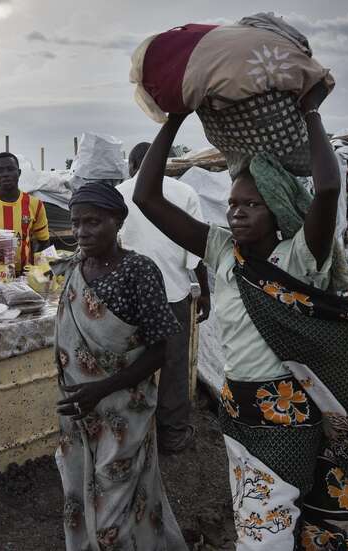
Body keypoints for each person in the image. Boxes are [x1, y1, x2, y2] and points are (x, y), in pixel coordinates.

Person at [134, 83, 348, 548]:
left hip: (285, 415)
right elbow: (147, 198)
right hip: (238, 410)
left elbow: (328, 186)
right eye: (232, 204)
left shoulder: (298, 259)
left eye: (251, 204)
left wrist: (310, 111)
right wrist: (174, 119)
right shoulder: (222, 252)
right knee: (269, 518)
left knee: (260, 532)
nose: (236, 213)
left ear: (278, 210)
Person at [53, 182, 187, 550]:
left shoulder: (139, 271)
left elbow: (162, 351)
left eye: (93, 222)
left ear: (118, 219)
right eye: (77, 222)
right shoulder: (75, 271)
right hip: (78, 415)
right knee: (79, 495)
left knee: (113, 506)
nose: (82, 232)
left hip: (123, 413)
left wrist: (101, 388)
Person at [116, 142, 211, 454]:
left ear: (132, 165)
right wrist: (204, 293)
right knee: (173, 368)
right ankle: (173, 435)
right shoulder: (184, 193)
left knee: (129, 367)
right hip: (172, 296)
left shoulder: (118, 193)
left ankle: (130, 439)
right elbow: (196, 252)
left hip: (127, 302)